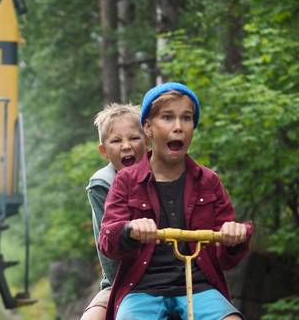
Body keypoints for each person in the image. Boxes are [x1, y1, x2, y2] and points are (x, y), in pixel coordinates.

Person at [99, 82, 254, 320]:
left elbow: (225, 259)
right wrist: (129, 230)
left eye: (187, 118)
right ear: (148, 128)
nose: (179, 127)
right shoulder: (126, 181)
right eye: (168, 118)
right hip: (142, 289)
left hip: (200, 287)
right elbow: (108, 241)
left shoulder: (209, 181)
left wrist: (233, 237)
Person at [82, 103, 147, 320]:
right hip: (120, 278)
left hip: (167, 277)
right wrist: (123, 289)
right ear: (104, 151)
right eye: (116, 141)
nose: (126, 146)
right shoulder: (102, 184)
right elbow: (107, 250)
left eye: (134, 138)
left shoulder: (162, 173)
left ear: (147, 141)